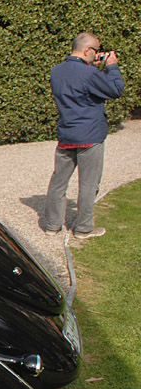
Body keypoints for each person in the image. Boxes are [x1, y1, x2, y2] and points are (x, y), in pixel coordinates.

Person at [42, 32, 125, 239]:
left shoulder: (56, 71)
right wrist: (112, 66)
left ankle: (52, 225)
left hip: (66, 134)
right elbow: (116, 89)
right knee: (88, 184)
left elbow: (77, 88)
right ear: (87, 50)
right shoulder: (88, 74)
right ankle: (84, 228)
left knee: (58, 182)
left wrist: (91, 67)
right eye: (96, 50)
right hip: (90, 136)